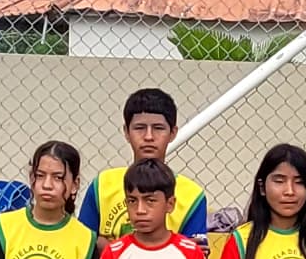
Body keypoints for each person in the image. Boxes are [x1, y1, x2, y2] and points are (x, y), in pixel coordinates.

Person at [88, 86, 213, 239]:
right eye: (139, 128)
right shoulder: (102, 185)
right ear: (126, 132)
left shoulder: (192, 196)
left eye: (158, 128)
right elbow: (83, 244)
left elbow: (193, 251)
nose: (148, 137)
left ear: (173, 133)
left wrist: (105, 244)